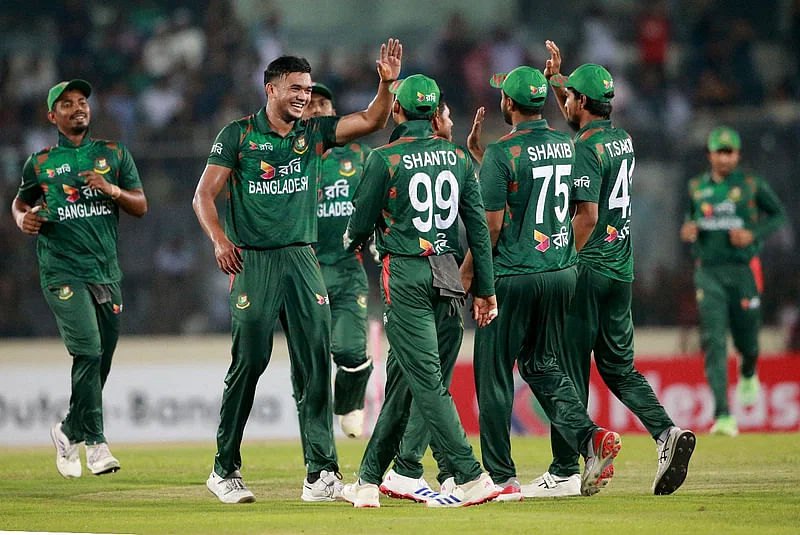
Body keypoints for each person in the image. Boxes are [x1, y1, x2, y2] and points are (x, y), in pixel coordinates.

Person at [192, 39, 402, 504]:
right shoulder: (238, 135)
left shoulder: (313, 135)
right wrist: (221, 241)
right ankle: (224, 469)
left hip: (302, 260)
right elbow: (203, 196)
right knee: (249, 364)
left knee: (312, 367)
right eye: (295, 88)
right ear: (270, 89)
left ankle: (322, 474)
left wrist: (386, 83)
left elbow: (372, 120)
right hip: (253, 260)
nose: (304, 96)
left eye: (307, 89)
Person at [531, 43, 695, 497]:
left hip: (586, 269)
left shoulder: (583, 147)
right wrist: (560, 81)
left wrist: (562, 261)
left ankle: (564, 469)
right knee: (620, 368)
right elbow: (585, 117)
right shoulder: (620, 138)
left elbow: (584, 216)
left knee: (567, 367)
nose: (563, 104)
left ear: (582, 103)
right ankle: (667, 435)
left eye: (568, 98)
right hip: (621, 267)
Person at [462, 65, 622, 501]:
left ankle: (500, 477)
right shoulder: (569, 146)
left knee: (493, 374)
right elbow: (544, 195)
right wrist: (481, 159)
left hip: (512, 278)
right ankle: (589, 438)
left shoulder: (502, 152)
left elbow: (491, 228)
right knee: (542, 365)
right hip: (560, 273)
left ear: (508, 103)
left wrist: (471, 274)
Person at [341, 74, 500, 508]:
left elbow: (357, 224)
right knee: (407, 381)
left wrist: (357, 239)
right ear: (434, 115)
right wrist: (485, 289)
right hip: (449, 271)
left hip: (407, 271)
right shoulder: (458, 158)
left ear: (398, 111)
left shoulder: (383, 158)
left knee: (425, 379)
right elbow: (480, 233)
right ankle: (370, 481)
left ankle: (468, 476)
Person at [12, 79, 147, 479]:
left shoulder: (113, 154)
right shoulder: (40, 162)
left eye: (82, 101)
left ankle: (67, 430)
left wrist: (112, 189)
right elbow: (20, 202)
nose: (78, 108)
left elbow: (140, 205)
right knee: (87, 350)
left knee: (101, 359)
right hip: (61, 270)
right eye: (67, 104)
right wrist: (23, 219)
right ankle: (96, 443)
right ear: (53, 116)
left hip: (105, 272)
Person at [377, 97, 463, 502]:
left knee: (416, 377)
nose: (452, 121)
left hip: (429, 272)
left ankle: (400, 470)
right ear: (432, 119)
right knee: (429, 376)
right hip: (427, 270)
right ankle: (444, 470)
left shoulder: (450, 157)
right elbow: (482, 226)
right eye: (447, 115)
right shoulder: (439, 158)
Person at [680, 125, 786, 436]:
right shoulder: (696, 187)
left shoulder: (752, 185)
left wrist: (753, 234)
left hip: (742, 271)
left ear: (738, 155)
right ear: (710, 154)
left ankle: (749, 370)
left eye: (730, 152)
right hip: (709, 272)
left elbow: (778, 216)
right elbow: (689, 220)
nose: (725, 159)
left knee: (748, 340)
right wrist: (688, 229)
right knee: (714, 340)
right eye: (719, 152)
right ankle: (723, 415)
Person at [304, 82, 373, 439]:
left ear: (334, 113)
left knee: (350, 351)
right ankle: (316, 456)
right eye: (309, 104)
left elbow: (380, 200)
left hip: (347, 269)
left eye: (323, 103)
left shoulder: (359, 156)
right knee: (310, 367)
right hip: (305, 273)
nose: (316, 108)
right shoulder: (291, 159)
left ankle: (349, 402)